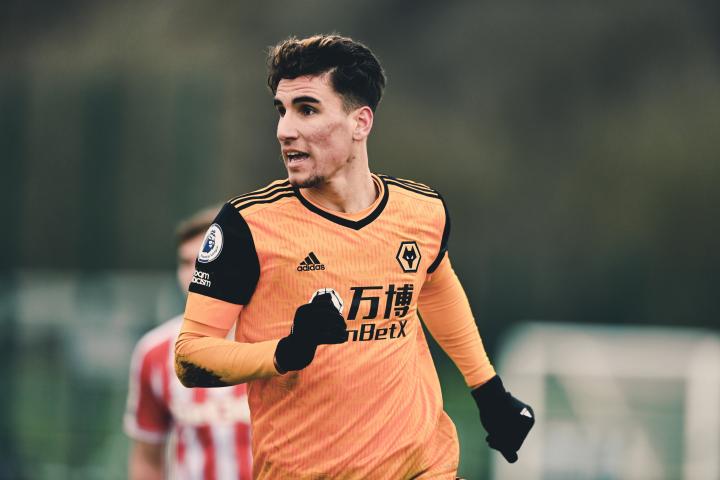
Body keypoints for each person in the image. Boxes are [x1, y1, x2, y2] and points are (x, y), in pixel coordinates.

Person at [175, 34, 534, 479]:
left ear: (360, 122)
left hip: (425, 467)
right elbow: (190, 356)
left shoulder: (422, 211)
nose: (285, 130)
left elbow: (435, 288)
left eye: (307, 109)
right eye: (281, 110)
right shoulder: (245, 226)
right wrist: (287, 351)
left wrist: (488, 391)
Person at [124, 207, 253, 480]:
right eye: (186, 262)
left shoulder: (283, 343)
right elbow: (147, 458)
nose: (196, 272)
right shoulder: (155, 352)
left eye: (208, 258)